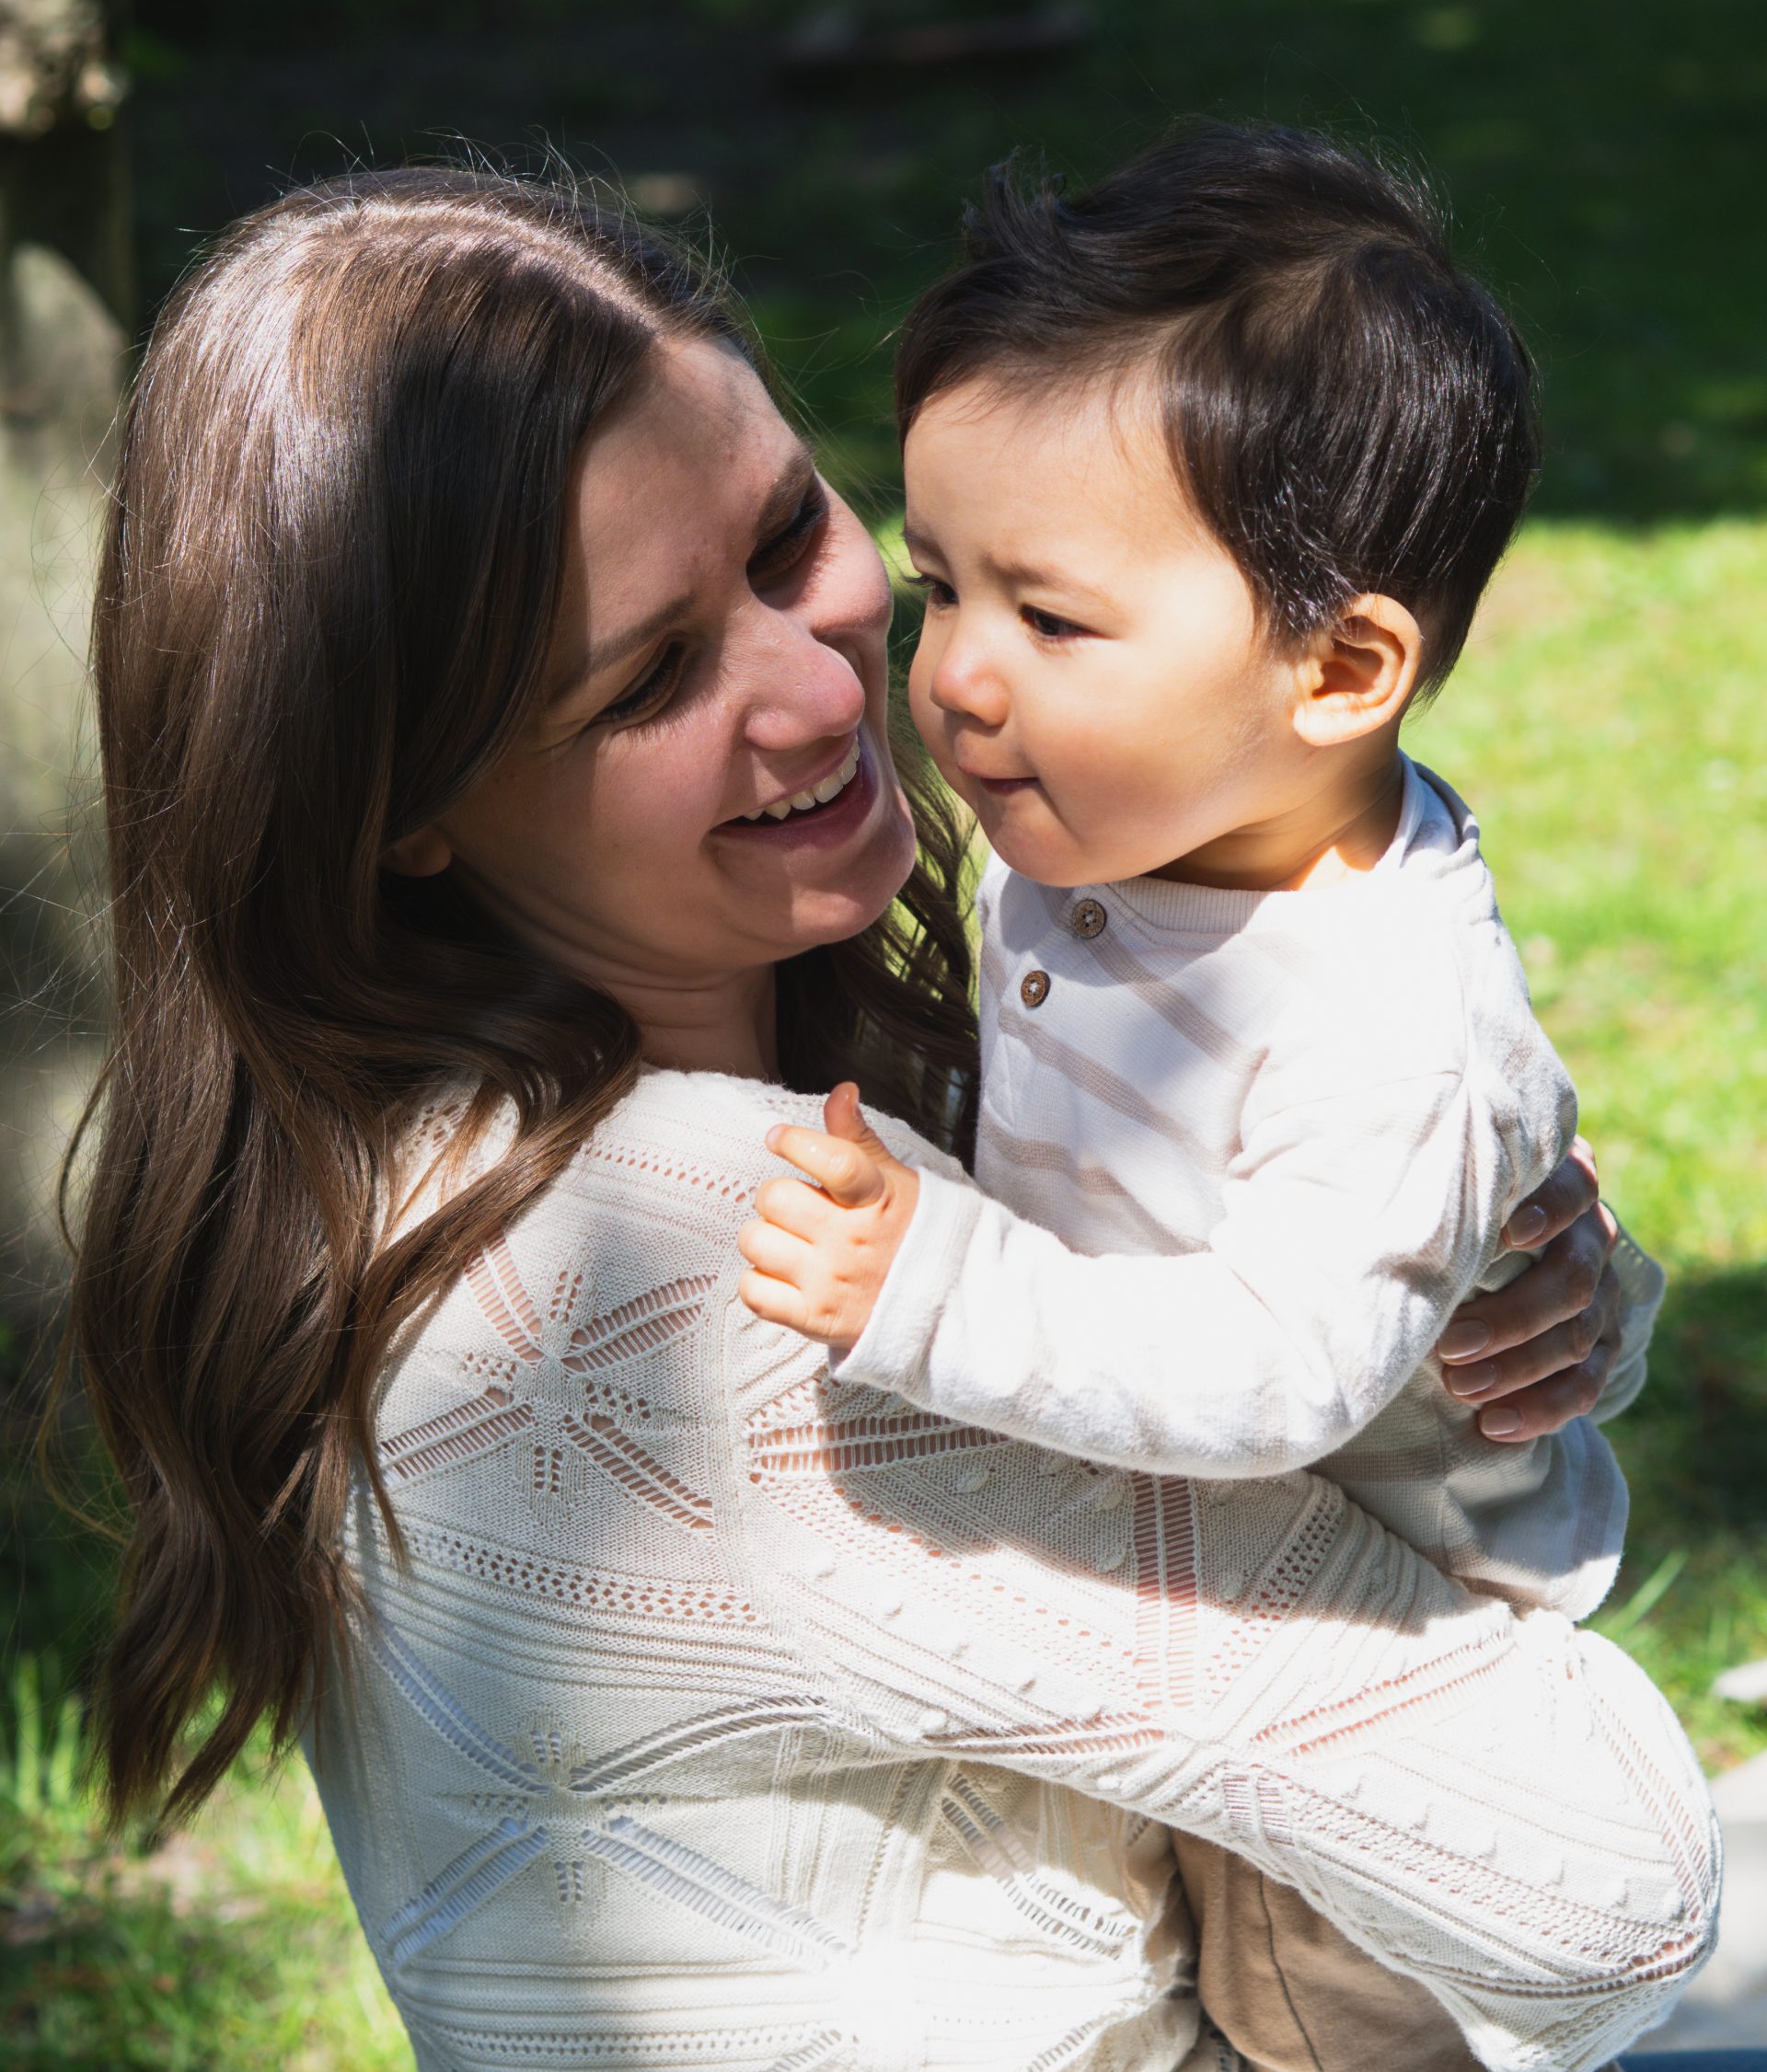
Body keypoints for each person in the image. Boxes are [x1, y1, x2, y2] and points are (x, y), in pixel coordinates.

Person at [64, 166, 1715, 2072]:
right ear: (399, 804)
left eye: (786, 538)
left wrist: (1487, 1294)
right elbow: (1609, 1887)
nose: (841, 674)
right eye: (649, 677)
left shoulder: (494, 1143)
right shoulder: (713, 1300)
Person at [735, 123, 1673, 2069]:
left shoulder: (1388, 1016)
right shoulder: (1120, 820)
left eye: (1050, 618)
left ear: (1339, 669)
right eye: (941, 587)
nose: (957, 679)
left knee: (1311, 2035)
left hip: (1380, 1661)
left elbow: (1277, 1379)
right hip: (1181, 1575)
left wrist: (929, 1286)